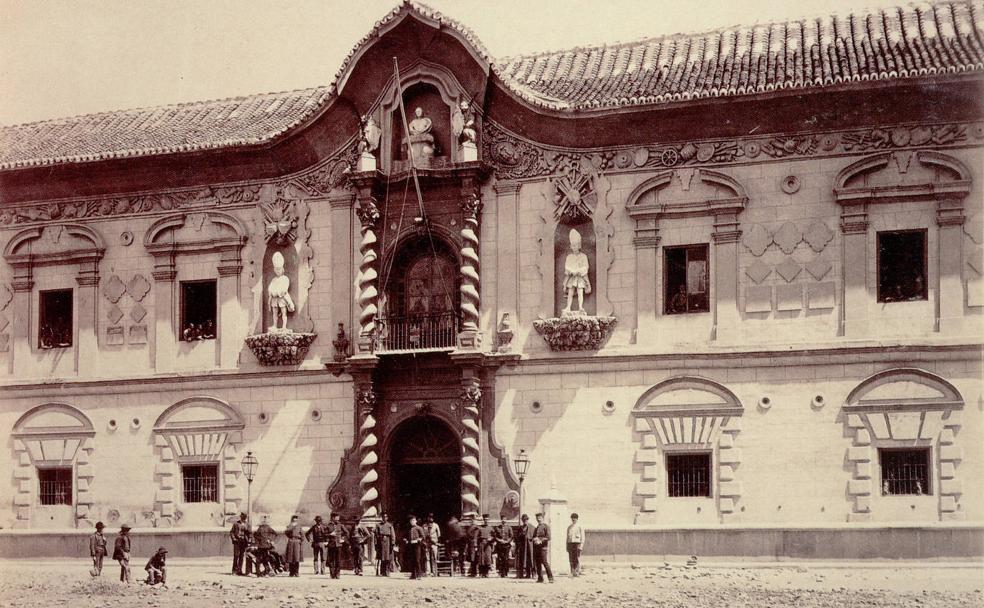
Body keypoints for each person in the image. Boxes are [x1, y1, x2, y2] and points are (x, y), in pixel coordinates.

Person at [562, 229, 591, 315]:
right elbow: (566, 267)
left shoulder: (583, 256)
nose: (574, 247)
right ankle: (568, 307)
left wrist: (579, 271)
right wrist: (571, 271)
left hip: (580, 277)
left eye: (576, 246)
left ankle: (580, 307)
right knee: (570, 292)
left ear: (579, 246)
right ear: (570, 246)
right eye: (573, 246)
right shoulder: (569, 257)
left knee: (580, 292)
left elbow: (586, 266)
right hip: (572, 277)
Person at [268, 251, 295, 331]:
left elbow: (284, 288)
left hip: (282, 298)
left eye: (279, 269)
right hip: (274, 299)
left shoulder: (285, 278)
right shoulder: (274, 279)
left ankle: (284, 326)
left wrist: (278, 292)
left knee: (284, 312)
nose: (277, 271)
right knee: (274, 313)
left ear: (282, 269)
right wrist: (272, 292)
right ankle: (275, 325)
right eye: (276, 270)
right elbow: (270, 288)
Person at [532, 513, 554, 583]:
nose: (538, 519)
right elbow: (534, 536)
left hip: (543, 547)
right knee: (538, 563)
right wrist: (534, 539)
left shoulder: (546, 526)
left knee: (544, 562)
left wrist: (540, 541)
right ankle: (540, 578)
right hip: (536, 548)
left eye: (540, 518)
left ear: (542, 518)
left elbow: (548, 537)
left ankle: (551, 578)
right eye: (537, 518)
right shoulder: (537, 527)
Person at [472, 514, 495, 578]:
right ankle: (481, 573)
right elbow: (475, 537)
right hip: (481, 544)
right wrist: (475, 545)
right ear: (483, 520)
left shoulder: (491, 528)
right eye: (485, 520)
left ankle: (486, 573)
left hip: (488, 544)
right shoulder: (479, 528)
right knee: (481, 558)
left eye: (487, 520)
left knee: (487, 558)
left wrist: (491, 539)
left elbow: (494, 536)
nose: (486, 521)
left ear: (489, 520)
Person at [326, 512, 346, 579]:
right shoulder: (329, 525)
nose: (338, 518)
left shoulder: (340, 525)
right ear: (333, 518)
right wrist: (330, 534)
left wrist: (343, 539)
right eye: (337, 517)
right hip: (331, 545)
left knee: (338, 560)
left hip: (338, 545)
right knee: (331, 560)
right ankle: (332, 574)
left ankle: (337, 574)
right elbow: (324, 534)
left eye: (338, 517)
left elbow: (346, 533)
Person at [407, 515, 425, 580]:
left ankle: (419, 574)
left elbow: (423, 537)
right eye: (411, 521)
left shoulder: (419, 528)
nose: (412, 522)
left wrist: (418, 540)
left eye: (413, 520)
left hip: (417, 545)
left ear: (416, 521)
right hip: (411, 545)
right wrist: (406, 540)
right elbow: (407, 537)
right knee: (412, 560)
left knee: (417, 560)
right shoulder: (409, 529)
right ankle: (413, 575)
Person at [566, 513, 584, 577]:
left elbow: (583, 537)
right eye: (572, 518)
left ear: (577, 519)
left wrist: (581, 546)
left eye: (575, 518)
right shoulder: (569, 527)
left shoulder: (580, 526)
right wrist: (567, 546)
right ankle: (572, 571)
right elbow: (567, 538)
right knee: (571, 558)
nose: (573, 519)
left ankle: (577, 571)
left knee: (576, 558)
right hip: (570, 543)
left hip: (577, 543)